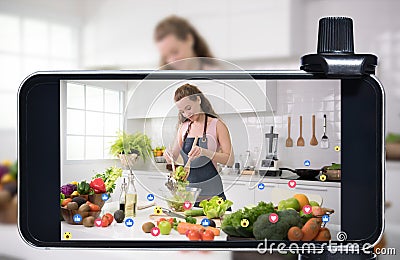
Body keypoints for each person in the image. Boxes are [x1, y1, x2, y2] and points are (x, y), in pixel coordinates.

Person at [164, 83, 234, 204]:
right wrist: (168, 155)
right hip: (188, 193)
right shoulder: (183, 127)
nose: (187, 114)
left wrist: (204, 152)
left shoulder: (217, 125)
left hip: (213, 192)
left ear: (198, 99)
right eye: (182, 111)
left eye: (188, 108)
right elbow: (173, 157)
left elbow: (230, 160)